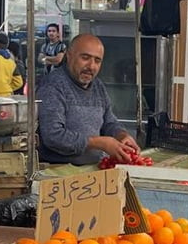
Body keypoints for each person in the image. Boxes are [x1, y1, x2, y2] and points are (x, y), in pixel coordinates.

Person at [37, 33, 139, 165]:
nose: (91, 66)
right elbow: (53, 136)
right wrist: (98, 143)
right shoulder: (53, 86)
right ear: (69, 55)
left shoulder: (97, 86)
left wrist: (121, 134)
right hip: (59, 172)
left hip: (92, 169)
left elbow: (109, 121)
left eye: (97, 60)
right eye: (85, 58)